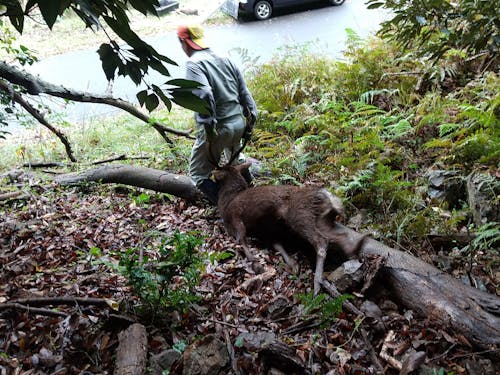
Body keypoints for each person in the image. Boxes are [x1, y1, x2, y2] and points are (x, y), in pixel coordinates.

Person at [177, 24, 257, 204]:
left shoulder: (194, 64)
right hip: (238, 123)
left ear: (184, 42)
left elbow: (205, 94)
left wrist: (208, 128)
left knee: (198, 174)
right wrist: (251, 121)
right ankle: (253, 197)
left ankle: (229, 206)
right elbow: (245, 93)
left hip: (219, 128)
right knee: (236, 161)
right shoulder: (225, 58)